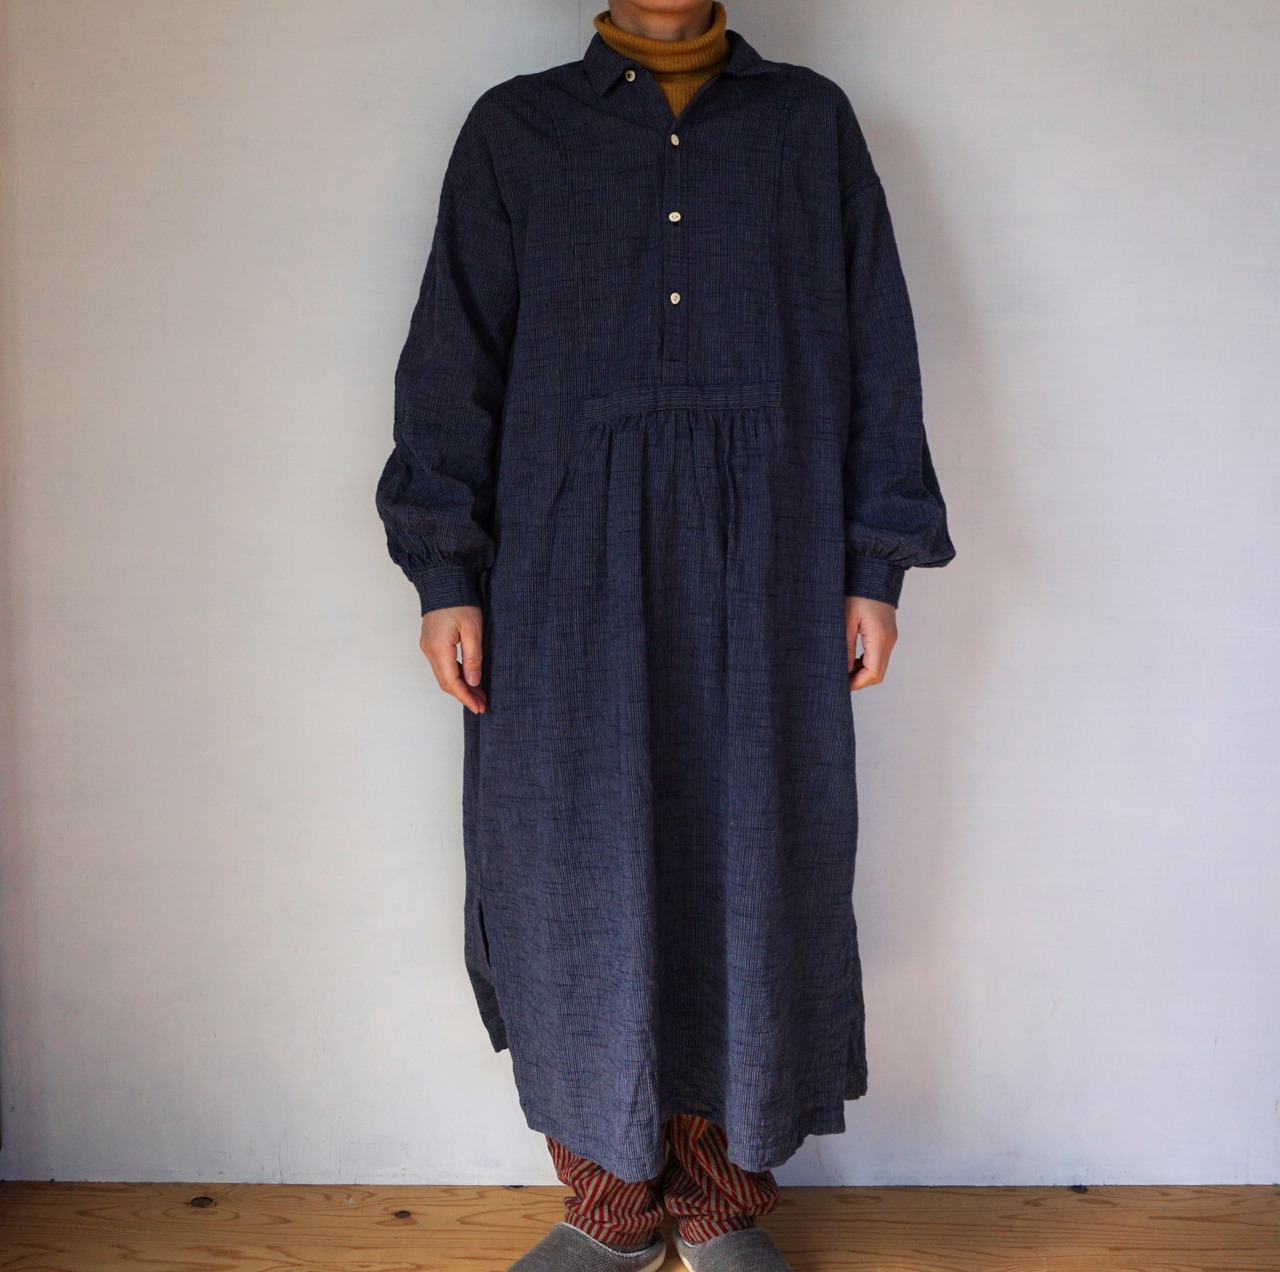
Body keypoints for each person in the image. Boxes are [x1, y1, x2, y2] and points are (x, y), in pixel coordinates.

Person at [375, 2, 956, 1268]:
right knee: (568, 863)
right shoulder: (516, 130)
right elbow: (449, 360)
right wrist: (444, 574)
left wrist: (875, 564)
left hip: (771, 563)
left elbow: (877, 348)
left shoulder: (807, 126)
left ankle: (720, 1199)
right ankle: (611, 1205)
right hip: (558, 574)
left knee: (752, 859)